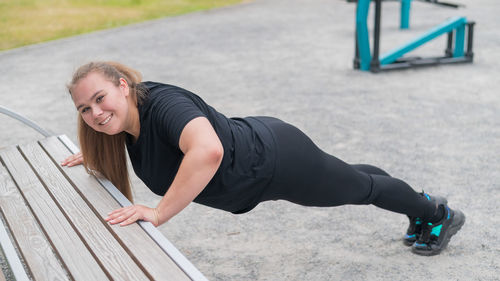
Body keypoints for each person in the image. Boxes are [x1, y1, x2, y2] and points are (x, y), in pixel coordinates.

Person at [62, 61, 464, 256]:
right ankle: (414, 200)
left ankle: (436, 213)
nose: (95, 113)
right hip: (263, 155)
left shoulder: (163, 104)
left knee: (359, 189)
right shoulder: (126, 127)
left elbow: (208, 151)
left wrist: (160, 212)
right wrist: (96, 149)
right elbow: (141, 140)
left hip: (274, 161)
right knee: (347, 177)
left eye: (100, 99)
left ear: (123, 86)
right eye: (85, 110)